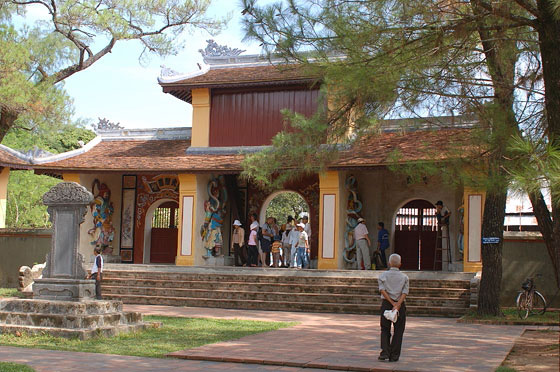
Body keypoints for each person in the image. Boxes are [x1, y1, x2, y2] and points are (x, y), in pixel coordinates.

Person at [378, 253, 409, 362]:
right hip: (400, 305)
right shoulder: (405, 277)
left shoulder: (383, 276)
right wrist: (397, 304)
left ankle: (384, 352)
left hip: (387, 304)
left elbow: (382, 290)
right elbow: (405, 292)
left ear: (389, 263)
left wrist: (391, 302)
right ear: (400, 264)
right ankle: (394, 355)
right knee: (399, 330)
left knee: (385, 329)